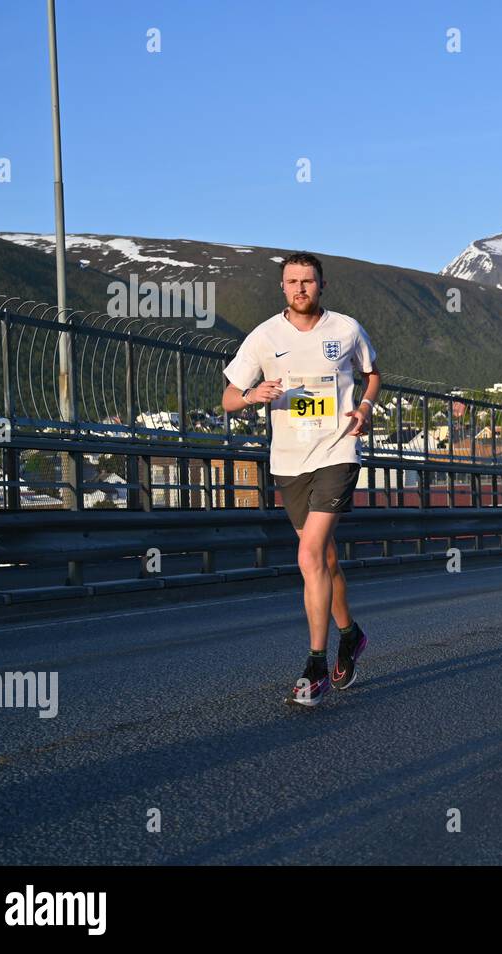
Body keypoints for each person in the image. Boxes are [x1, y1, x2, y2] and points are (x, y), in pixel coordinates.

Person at [222, 252, 381, 706]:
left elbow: (372, 375)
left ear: (321, 284)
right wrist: (253, 394)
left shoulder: (346, 329)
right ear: (282, 288)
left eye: (307, 281)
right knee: (326, 561)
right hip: (289, 462)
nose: (300, 289)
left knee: (309, 554)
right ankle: (350, 634)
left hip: (338, 451)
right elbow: (229, 396)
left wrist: (364, 408)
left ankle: (315, 666)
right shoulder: (265, 336)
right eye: (292, 282)